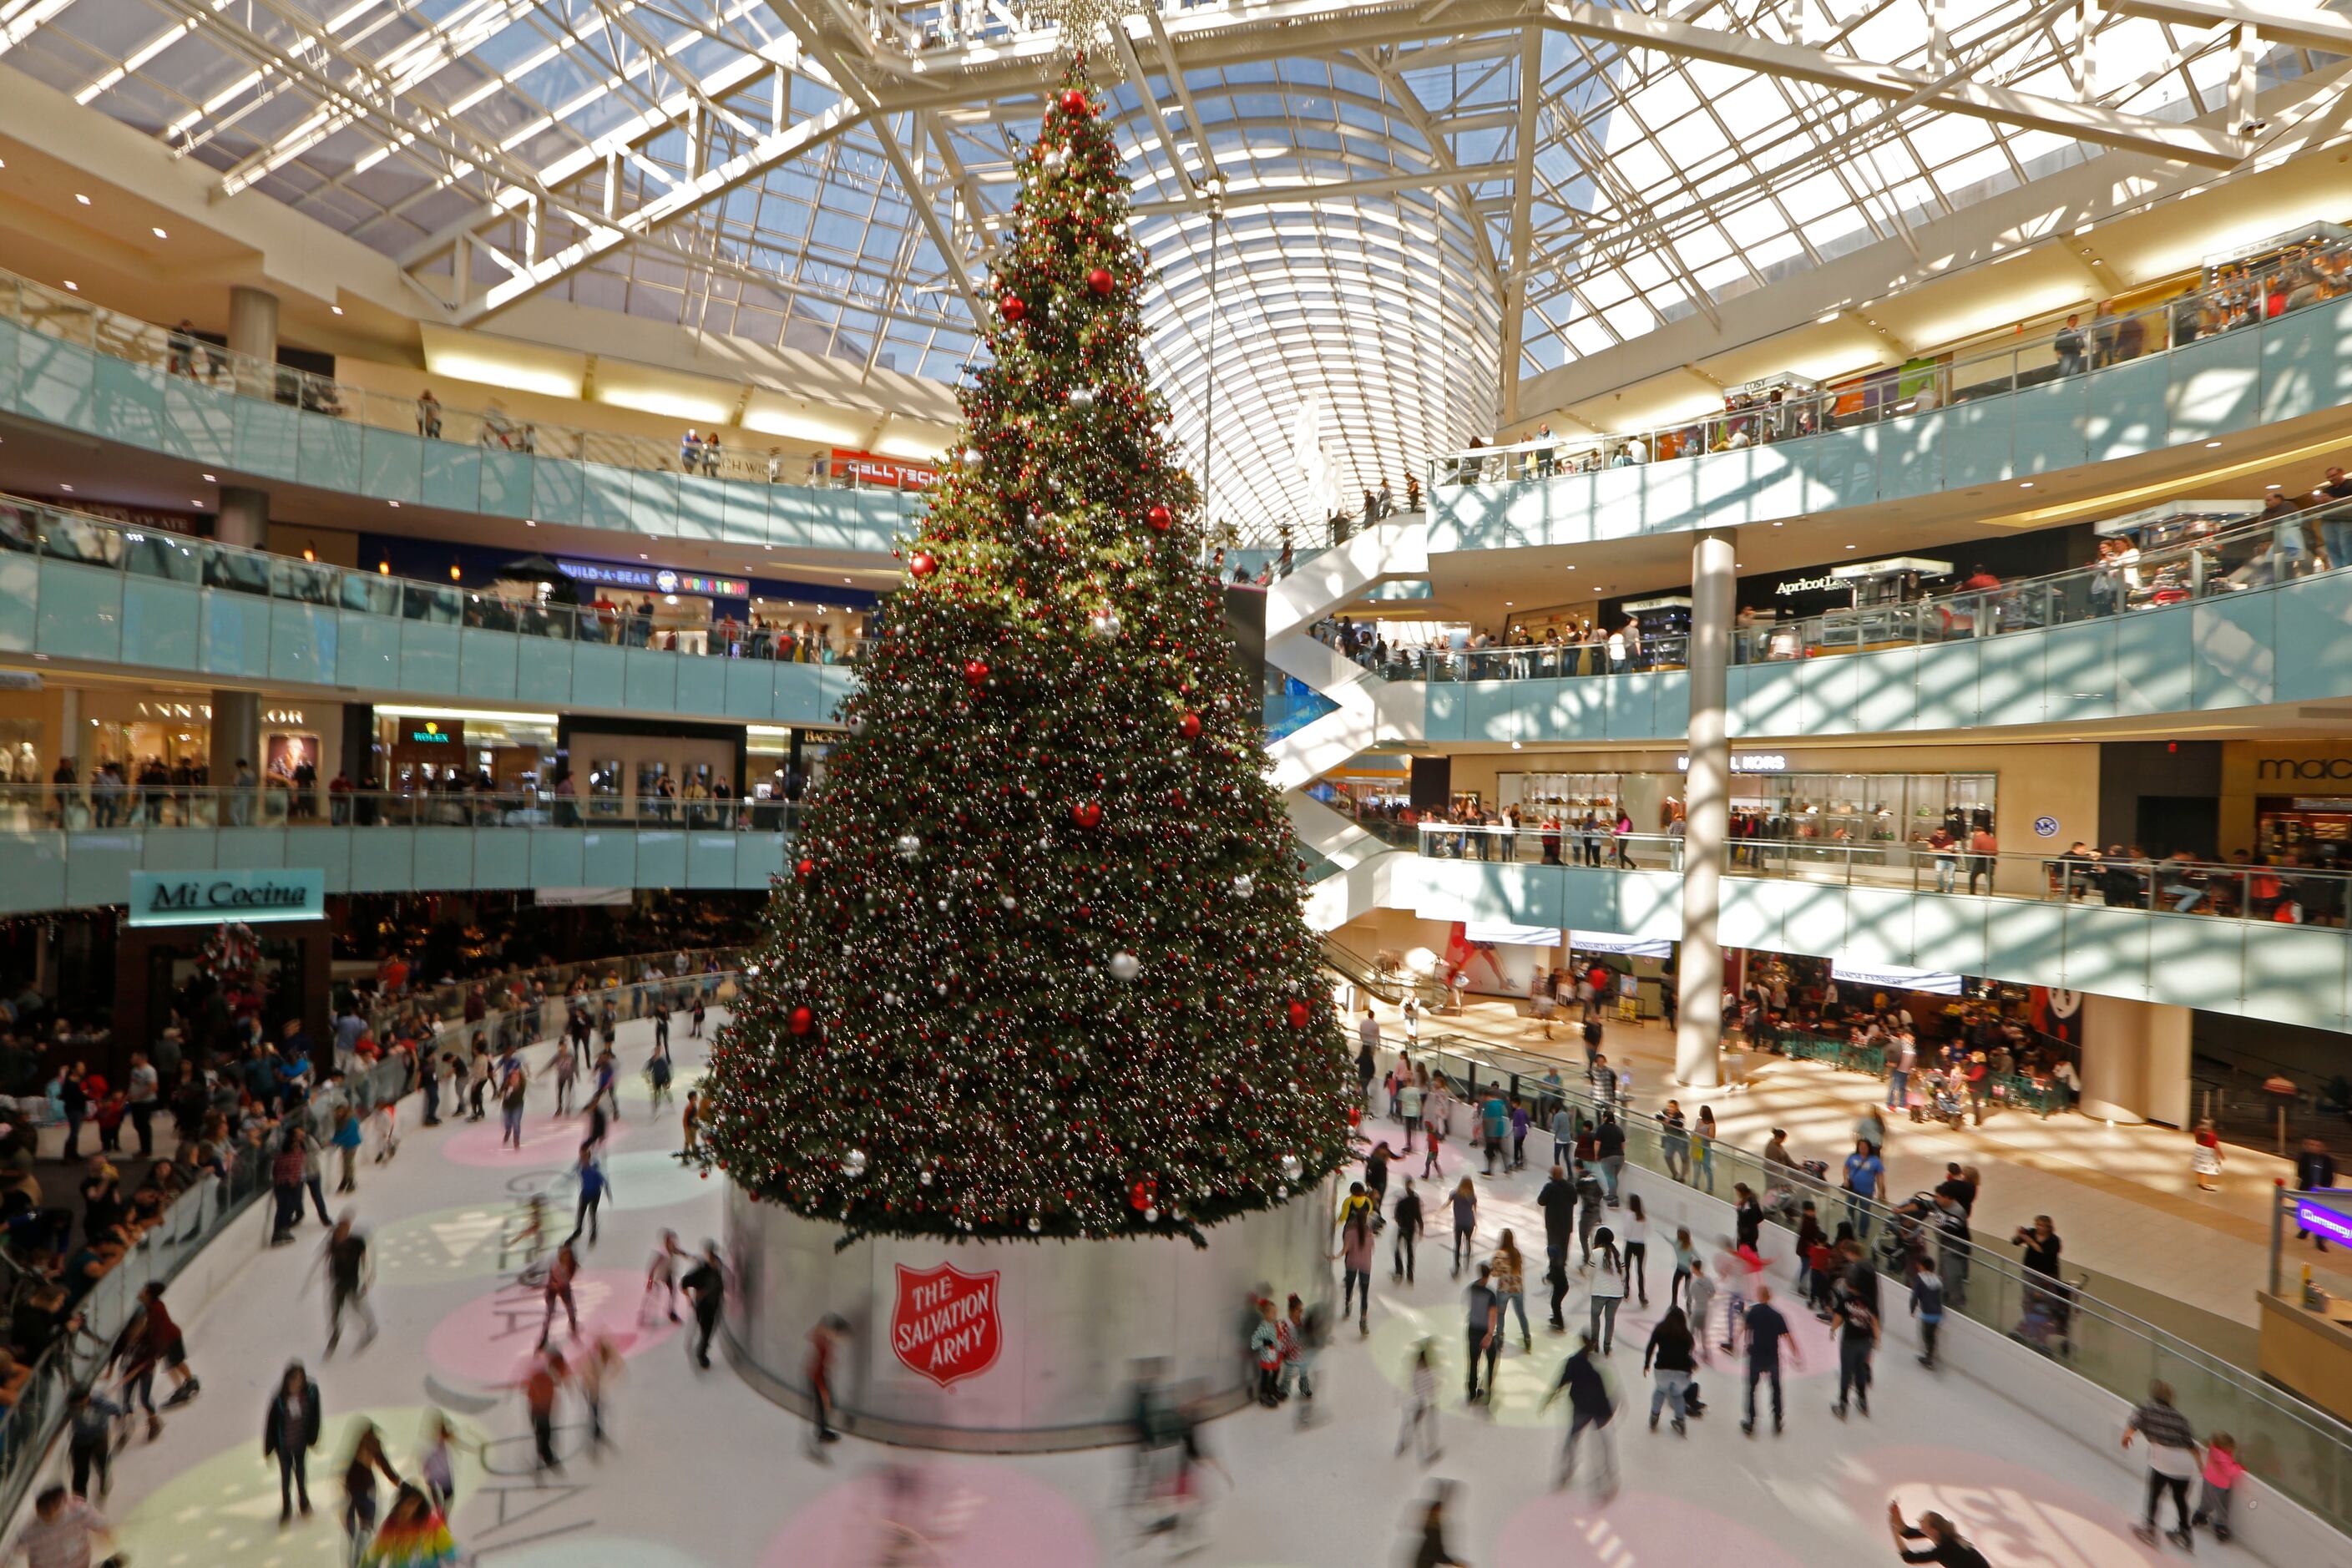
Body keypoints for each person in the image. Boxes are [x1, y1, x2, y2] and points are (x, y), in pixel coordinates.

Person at [2124, 1380, 2200, 1549]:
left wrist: (2126, 1437)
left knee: (2155, 1494)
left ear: (2153, 1394)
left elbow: (2133, 1424)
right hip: (2185, 1464)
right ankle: (2185, 1532)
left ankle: (2150, 1529)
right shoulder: (2180, 1418)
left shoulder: (2146, 1408)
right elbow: (2191, 1445)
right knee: (2180, 1499)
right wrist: (2200, 1465)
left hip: (2163, 1460)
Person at [1541, 1333, 1616, 1498]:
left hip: (1582, 1408)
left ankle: (1567, 1471)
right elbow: (1608, 1391)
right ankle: (1607, 1479)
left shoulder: (1573, 1362)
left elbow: (1561, 1382)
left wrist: (1549, 1399)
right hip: (1598, 1409)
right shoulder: (1598, 1366)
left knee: (1573, 1439)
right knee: (1601, 1445)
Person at [1737, 1283, 1802, 1437]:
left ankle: (1751, 1422)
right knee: (1776, 1389)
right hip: (1773, 1357)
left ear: (1760, 1296)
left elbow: (1745, 1328)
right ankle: (1777, 1420)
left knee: (1751, 1389)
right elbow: (1788, 1337)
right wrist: (1796, 1354)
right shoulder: (1778, 1316)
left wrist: (1735, 1342)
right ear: (1770, 1297)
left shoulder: (1753, 1311)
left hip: (1756, 1356)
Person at [263, 1361, 322, 1525]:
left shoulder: (310, 1393)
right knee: (286, 1477)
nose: (297, 1383)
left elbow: (315, 1416)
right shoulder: (279, 1400)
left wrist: (312, 1437)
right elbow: (271, 1425)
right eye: (294, 1380)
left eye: (300, 1379)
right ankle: (286, 1507)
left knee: (301, 1474)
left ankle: (303, 1503)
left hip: (300, 1444)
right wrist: (268, 1449)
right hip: (284, 1446)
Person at [317, 1212, 379, 1357]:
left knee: (356, 1305)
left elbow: (365, 1261)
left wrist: (367, 1279)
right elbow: (329, 1257)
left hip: (351, 1280)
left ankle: (370, 1327)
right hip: (338, 1280)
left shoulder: (356, 1242)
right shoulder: (334, 1241)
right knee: (335, 1309)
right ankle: (336, 1332)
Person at [10, 1486, 115, 1568]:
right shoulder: (29, 1529)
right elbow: (13, 1550)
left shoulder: (77, 1512)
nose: (50, 1513)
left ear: (62, 1500)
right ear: (37, 1508)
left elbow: (100, 1524)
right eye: (45, 1509)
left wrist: (108, 1539)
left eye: (54, 1506)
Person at [341, 1420, 402, 1560]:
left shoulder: (365, 1449)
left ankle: (364, 1552)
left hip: (362, 1492)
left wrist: (398, 1482)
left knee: (366, 1526)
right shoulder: (363, 1454)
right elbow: (384, 1466)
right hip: (359, 1493)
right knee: (363, 1527)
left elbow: (384, 1466)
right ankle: (360, 1556)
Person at [1642, 1304, 1697, 1434]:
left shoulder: (1661, 1328)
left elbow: (1650, 1346)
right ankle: (1680, 1420)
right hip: (1683, 1372)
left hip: (1663, 1368)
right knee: (1677, 1395)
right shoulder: (1687, 1334)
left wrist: (1647, 1365)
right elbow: (1690, 1353)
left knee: (1660, 1391)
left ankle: (1654, 1416)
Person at [1829, 1280, 1879, 1420]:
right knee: (1861, 1370)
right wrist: (1877, 1339)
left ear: (1850, 1286)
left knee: (1846, 1371)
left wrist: (1833, 1329)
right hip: (1865, 1342)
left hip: (1850, 1341)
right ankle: (1863, 1402)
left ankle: (1843, 1405)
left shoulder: (1846, 1300)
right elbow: (1875, 1321)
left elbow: (1838, 1318)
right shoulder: (1869, 1301)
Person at [63, 1385, 124, 1501]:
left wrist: (118, 1425)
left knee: (102, 1464)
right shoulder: (72, 1406)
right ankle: (80, 1501)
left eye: (79, 1403)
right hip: (80, 1440)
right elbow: (65, 1417)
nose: (77, 1407)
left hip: (99, 1439)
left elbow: (117, 1410)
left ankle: (104, 1479)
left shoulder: (101, 1404)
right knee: (80, 1473)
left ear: (86, 1398)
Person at [1888, 1504, 1991, 1568]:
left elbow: (1909, 1558)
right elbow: (1907, 1533)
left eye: (1922, 1521)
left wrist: (1894, 1532)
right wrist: (1897, 1515)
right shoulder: (1943, 1536)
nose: (1919, 1521)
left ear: (1933, 1530)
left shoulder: (1945, 1550)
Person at [1463, 1262, 1501, 1405]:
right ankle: (1488, 1390)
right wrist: (1490, 1335)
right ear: (1489, 1275)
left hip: (1472, 1329)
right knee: (1491, 1362)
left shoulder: (1472, 1288)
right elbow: (1492, 1315)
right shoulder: (1490, 1294)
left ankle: (1471, 1392)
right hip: (1485, 1330)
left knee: (1473, 1362)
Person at [2193, 1431, 2243, 1542]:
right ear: (2225, 1447)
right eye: (2232, 1447)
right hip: (2220, 1487)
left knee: (2206, 1500)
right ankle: (2221, 1527)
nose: (2233, 1449)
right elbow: (2230, 1472)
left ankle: (2199, 1516)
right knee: (2221, 1507)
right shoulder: (2223, 1457)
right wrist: (2239, 1467)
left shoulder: (2213, 1448)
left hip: (2207, 1480)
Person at [683, 1242, 726, 1370]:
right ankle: (701, 1353)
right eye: (710, 1254)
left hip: (714, 1304)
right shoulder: (702, 1270)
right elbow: (684, 1283)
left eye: (714, 1254)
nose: (713, 1257)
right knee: (706, 1330)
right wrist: (689, 1298)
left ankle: (702, 1349)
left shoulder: (719, 1265)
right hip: (703, 1306)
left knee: (708, 1330)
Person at [1397, 1340, 1441, 1463]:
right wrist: (1432, 1401)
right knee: (1419, 1428)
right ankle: (1423, 1454)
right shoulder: (1428, 1373)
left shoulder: (1415, 1370)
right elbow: (1431, 1388)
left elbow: (1411, 1384)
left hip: (1413, 1402)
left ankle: (1402, 1443)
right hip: (1420, 1404)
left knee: (1409, 1424)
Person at [1585, 1226, 1626, 1353]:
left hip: (1599, 1292)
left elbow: (1589, 1273)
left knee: (1595, 1317)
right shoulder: (1618, 1254)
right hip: (1617, 1293)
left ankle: (1595, 1343)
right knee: (1610, 1319)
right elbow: (1623, 1274)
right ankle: (1607, 1346)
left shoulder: (1596, 1253)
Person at [2295, 1136, 2339, 1250]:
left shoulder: (2328, 1160)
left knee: (2321, 1215)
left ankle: (2320, 1241)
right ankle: (2305, 1230)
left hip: (2322, 1191)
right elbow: (2300, 1173)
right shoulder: (2303, 1157)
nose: (2314, 1147)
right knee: (2307, 1211)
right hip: (2307, 1189)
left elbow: (2330, 1177)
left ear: (2323, 1147)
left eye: (2317, 1145)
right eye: (2312, 1145)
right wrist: (2312, 1184)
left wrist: (2323, 1187)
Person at [1338, 1202, 1375, 1336]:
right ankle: (1363, 1321)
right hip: (1366, 1266)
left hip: (1351, 1264)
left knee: (1350, 1287)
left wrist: (1333, 1257)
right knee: (1364, 1294)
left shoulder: (1349, 1233)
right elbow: (1372, 1250)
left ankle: (1348, 1304)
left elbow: (1345, 1250)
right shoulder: (1370, 1235)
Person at [566, 1145, 609, 1247]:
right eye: (581, 1157)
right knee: (581, 1212)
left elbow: (603, 1180)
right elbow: (572, 1174)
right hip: (585, 1193)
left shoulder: (595, 1168)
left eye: (584, 1156)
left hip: (595, 1193)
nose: (582, 1159)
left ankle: (593, 1232)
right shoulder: (579, 1166)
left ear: (588, 1157)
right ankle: (578, 1230)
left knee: (592, 1212)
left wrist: (608, 1192)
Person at [1843, 1137, 1884, 1239]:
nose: (1862, 1149)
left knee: (1865, 1212)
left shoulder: (1875, 1160)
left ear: (1869, 1148)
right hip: (1853, 1189)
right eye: (1860, 1146)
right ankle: (1850, 1227)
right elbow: (1846, 1168)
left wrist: (1880, 1191)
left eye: (1865, 1147)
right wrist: (1846, 1180)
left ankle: (1863, 1231)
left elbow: (1880, 1176)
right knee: (1850, 1208)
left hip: (1867, 1191)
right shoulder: (1853, 1157)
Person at [1910, 1255, 1946, 1368]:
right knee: (1931, 1335)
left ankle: (1929, 1358)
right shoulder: (1938, 1279)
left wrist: (1912, 1308)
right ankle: (1929, 1355)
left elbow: (1915, 1295)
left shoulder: (1920, 1279)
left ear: (1922, 1266)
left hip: (1927, 1313)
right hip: (1938, 1313)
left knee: (1926, 1335)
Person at [1621, 1194, 1650, 1307]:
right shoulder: (1644, 1217)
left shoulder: (1628, 1215)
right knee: (1640, 1271)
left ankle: (1626, 1288)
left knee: (1627, 1268)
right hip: (1641, 1245)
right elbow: (1649, 1232)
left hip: (1630, 1243)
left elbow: (1626, 1232)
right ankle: (1641, 1294)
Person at [1393, 1178, 1423, 1283]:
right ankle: (1410, 1273)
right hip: (1411, 1227)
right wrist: (1421, 1227)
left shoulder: (1402, 1200)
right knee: (1410, 1250)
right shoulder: (1416, 1199)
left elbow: (1396, 1214)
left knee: (1397, 1249)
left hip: (1403, 1226)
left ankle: (1399, 1271)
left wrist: (1399, 1221)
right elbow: (1418, 1214)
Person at [2191, 1119, 2224, 1191]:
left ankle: (2201, 1182)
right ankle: (2203, 1184)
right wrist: (2220, 1156)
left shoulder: (2197, 1131)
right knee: (2205, 1168)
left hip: (2199, 1150)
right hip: (2208, 1153)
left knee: (2200, 1167)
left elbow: (2196, 1141)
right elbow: (2216, 1147)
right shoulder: (2212, 1135)